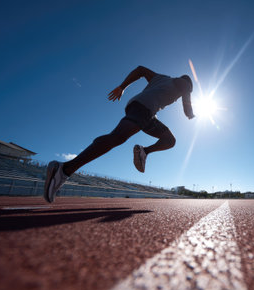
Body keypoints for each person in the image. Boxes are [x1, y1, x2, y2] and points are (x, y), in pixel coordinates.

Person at [43, 66, 194, 203]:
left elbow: (141, 70)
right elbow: (187, 100)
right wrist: (190, 112)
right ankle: (65, 169)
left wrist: (122, 87)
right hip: (144, 109)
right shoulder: (184, 84)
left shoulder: (161, 78)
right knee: (117, 137)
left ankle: (144, 151)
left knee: (169, 140)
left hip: (144, 111)